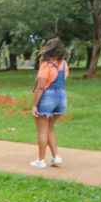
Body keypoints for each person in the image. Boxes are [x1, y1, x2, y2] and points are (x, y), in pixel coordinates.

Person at [30, 37, 68, 168]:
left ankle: (41, 160)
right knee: (50, 128)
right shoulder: (64, 64)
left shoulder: (45, 65)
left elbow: (40, 87)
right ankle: (55, 157)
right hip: (61, 98)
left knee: (42, 130)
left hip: (47, 98)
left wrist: (34, 104)